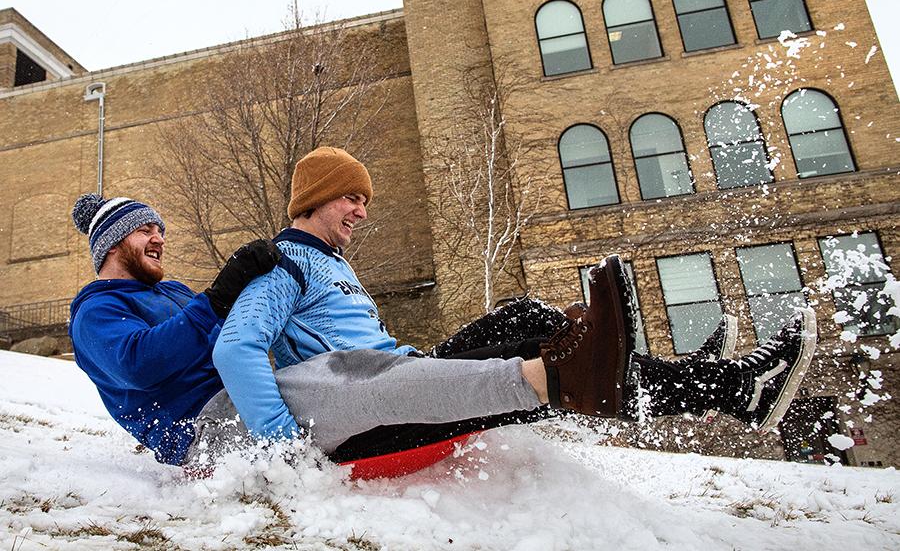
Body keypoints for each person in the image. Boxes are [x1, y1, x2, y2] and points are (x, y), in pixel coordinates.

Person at [209, 147, 817, 464]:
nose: (363, 212)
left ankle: (683, 372)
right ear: (313, 202)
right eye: (350, 198)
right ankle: (730, 387)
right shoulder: (281, 266)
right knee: (549, 358)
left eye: (365, 199)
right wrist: (282, 444)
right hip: (373, 404)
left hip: (406, 372)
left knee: (525, 316)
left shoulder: (334, 266)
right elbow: (235, 349)